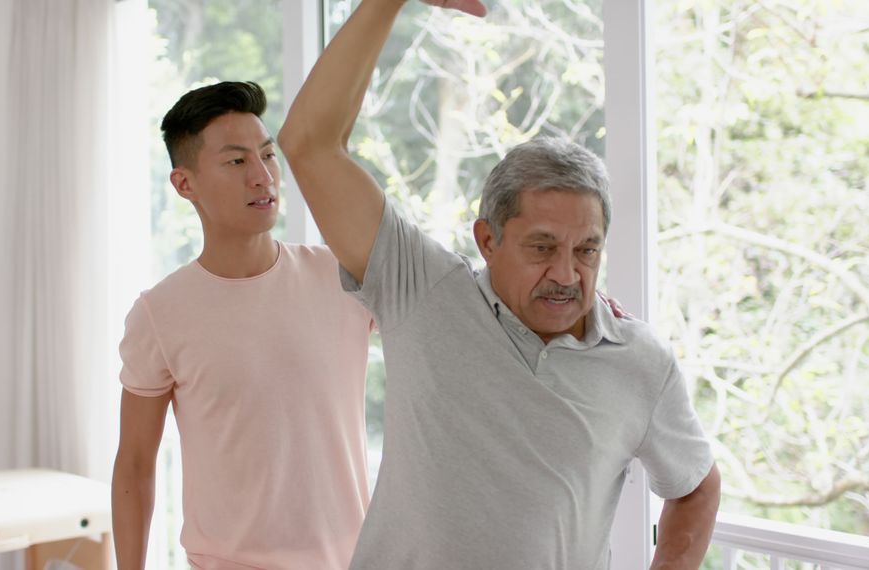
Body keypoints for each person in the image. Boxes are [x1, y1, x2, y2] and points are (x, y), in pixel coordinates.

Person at [278, 0, 722, 568]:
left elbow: (695, 485)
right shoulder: (423, 291)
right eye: (542, 248)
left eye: (586, 250)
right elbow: (309, 144)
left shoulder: (641, 362)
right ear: (487, 239)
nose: (566, 275)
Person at [110, 81, 374, 570]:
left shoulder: (343, 277)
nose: (262, 176)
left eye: (268, 155)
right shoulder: (160, 313)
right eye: (236, 161)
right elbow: (134, 463)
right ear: (184, 184)